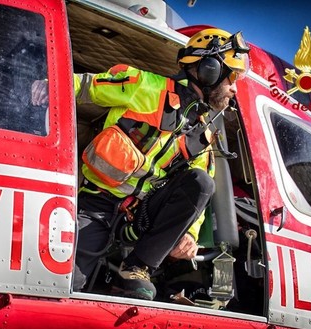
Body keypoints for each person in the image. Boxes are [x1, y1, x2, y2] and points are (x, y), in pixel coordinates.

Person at [31, 28, 250, 301]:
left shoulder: (204, 135)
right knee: (59, 286)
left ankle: (136, 268)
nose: (234, 87)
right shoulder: (143, 85)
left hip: (141, 215)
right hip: (96, 204)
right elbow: (86, 85)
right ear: (208, 69)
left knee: (201, 182)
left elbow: (199, 198)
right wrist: (48, 85)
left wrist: (190, 235)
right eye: (232, 77)